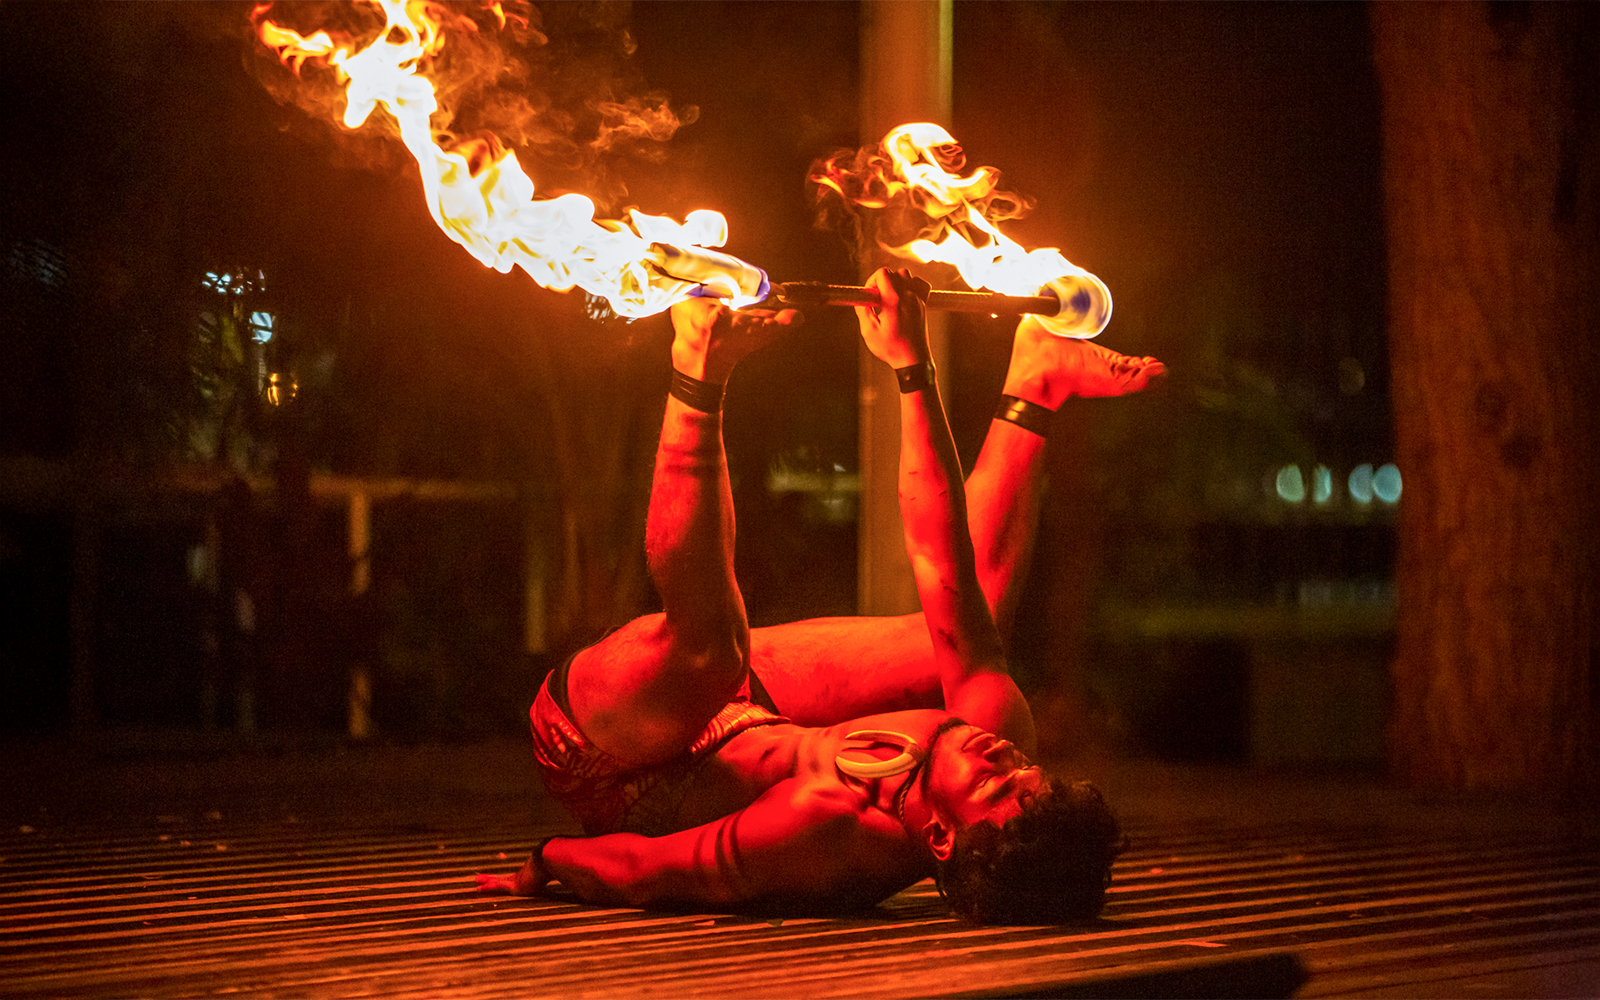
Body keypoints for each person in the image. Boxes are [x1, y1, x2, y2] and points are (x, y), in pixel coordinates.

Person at [478, 269, 1164, 921]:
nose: (1000, 756)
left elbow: (655, 869)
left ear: (942, 838)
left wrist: (549, 860)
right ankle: (1036, 382)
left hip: (614, 762)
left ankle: (696, 362)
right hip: (756, 714)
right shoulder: (993, 735)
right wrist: (909, 366)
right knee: (963, 611)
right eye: (1026, 770)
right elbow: (939, 554)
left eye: (993, 784)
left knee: (711, 655)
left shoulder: (823, 836)